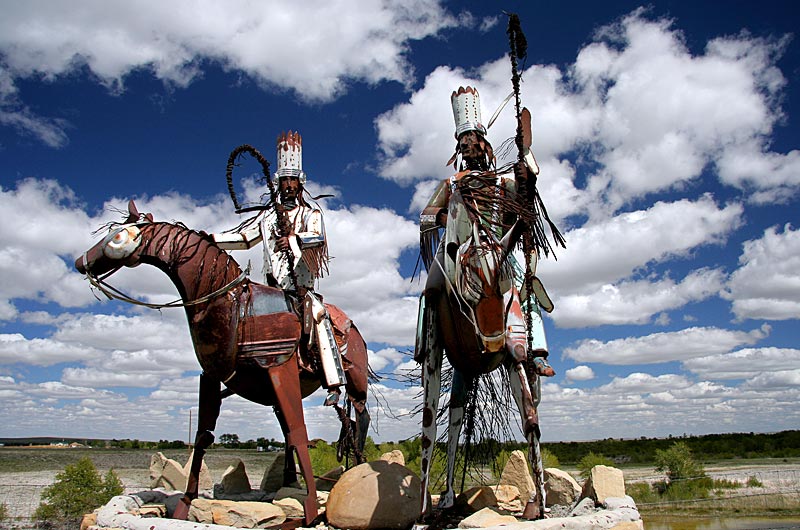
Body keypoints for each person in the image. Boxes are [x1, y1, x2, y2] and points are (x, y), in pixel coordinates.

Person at [419, 86, 555, 376]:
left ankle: (535, 351)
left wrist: (526, 163)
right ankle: (428, 351)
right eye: (463, 143)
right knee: (431, 291)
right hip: (455, 249)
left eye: (471, 141)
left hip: (495, 249)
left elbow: (525, 201)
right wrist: (444, 218)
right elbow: (425, 216)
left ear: (483, 145)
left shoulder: (501, 183)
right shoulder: (452, 183)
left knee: (525, 283)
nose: (467, 147)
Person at [213, 131, 347, 404]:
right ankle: (235, 372)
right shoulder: (266, 217)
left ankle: (333, 382)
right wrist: (210, 239)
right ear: (277, 183)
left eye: (292, 180)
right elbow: (245, 238)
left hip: (299, 291)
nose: (288, 185)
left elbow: (318, 237)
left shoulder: (311, 214)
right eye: (284, 180)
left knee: (319, 314)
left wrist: (294, 239)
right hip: (269, 290)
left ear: (300, 183)